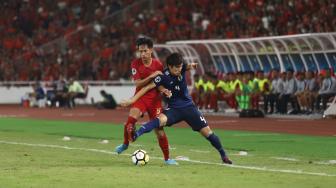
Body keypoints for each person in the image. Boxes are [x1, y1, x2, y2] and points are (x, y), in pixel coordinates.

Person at [121, 53, 232, 164]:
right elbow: (147, 87)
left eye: (180, 66)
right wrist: (132, 100)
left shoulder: (182, 67)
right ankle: (137, 134)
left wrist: (194, 65)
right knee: (159, 121)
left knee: (208, 133)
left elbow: (189, 66)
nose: (180, 69)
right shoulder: (163, 76)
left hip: (190, 108)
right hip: (174, 109)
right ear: (169, 66)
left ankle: (224, 156)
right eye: (177, 67)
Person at [114, 37, 177, 165]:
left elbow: (158, 83)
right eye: (140, 51)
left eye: (145, 51)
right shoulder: (135, 64)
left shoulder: (158, 64)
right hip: (141, 97)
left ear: (151, 50)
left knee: (159, 130)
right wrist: (151, 76)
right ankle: (125, 144)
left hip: (155, 100)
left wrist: (163, 90)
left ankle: (167, 159)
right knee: (130, 121)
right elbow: (138, 83)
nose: (142, 54)